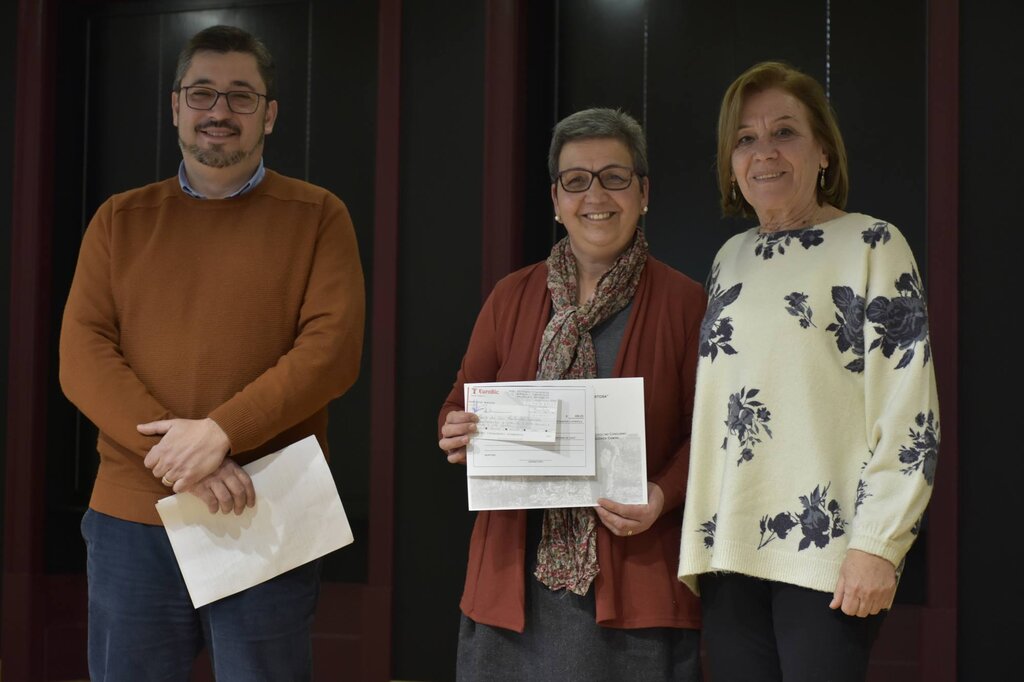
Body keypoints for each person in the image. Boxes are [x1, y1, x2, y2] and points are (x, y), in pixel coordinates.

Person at [59, 25, 364, 681]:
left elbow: (332, 352)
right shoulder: (118, 220)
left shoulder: (319, 216)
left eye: (240, 96)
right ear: (176, 106)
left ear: (269, 114)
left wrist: (221, 432)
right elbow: (82, 356)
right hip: (133, 518)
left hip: (266, 507)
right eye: (202, 93)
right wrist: (184, 459)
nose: (219, 111)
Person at [677, 61, 939, 681]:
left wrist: (878, 545)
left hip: (829, 552)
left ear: (823, 151)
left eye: (785, 132)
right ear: (731, 164)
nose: (764, 152)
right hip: (729, 551)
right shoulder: (729, 258)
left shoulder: (873, 244)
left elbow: (910, 414)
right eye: (745, 138)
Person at [438, 108, 705, 681]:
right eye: (576, 180)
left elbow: (709, 436)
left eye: (614, 177)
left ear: (643, 192)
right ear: (556, 200)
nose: (595, 196)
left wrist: (661, 495)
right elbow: (458, 405)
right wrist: (456, 430)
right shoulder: (510, 296)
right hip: (511, 590)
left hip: (634, 592)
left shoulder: (686, 304)